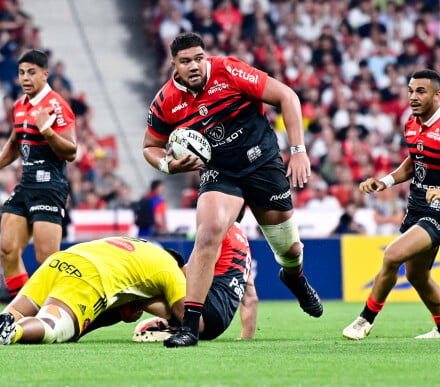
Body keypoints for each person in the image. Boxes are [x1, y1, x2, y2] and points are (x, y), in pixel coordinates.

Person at [142, 32, 322, 348]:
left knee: (290, 251)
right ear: (174, 65)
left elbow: (288, 97)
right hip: (221, 172)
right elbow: (150, 146)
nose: (194, 65)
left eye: (199, 58)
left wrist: (298, 150)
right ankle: (188, 327)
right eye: (186, 61)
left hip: (263, 164)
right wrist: (168, 166)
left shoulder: (229, 71)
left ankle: (293, 277)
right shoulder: (166, 100)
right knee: (208, 232)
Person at [342, 69, 440, 340]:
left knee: (392, 255)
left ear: (437, 95)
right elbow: (415, 162)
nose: (413, 97)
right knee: (417, 276)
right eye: (410, 91)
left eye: (420, 91)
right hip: (416, 208)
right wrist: (385, 182)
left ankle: (365, 320)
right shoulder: (412, 122)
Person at [0, 221, 258, 344]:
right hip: (89, 275)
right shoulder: (170, 270)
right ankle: (16, 332)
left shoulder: (139, 247)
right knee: (52, 325)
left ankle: (8, 322)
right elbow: (187, 315)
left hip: (59, 261)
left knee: (14, 311)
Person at [0, 49, 77, 300]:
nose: (25, 78)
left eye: (31, 72)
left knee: (46, 260)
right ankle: (20, 312)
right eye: (22, 72)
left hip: (50, 186)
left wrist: (48, 131)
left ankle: (67, 306)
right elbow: (14, 143)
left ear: (45, 74)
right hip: (26, 185)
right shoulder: (20, 105)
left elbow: (72, 151)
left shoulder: (56, 105)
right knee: (7, 249)